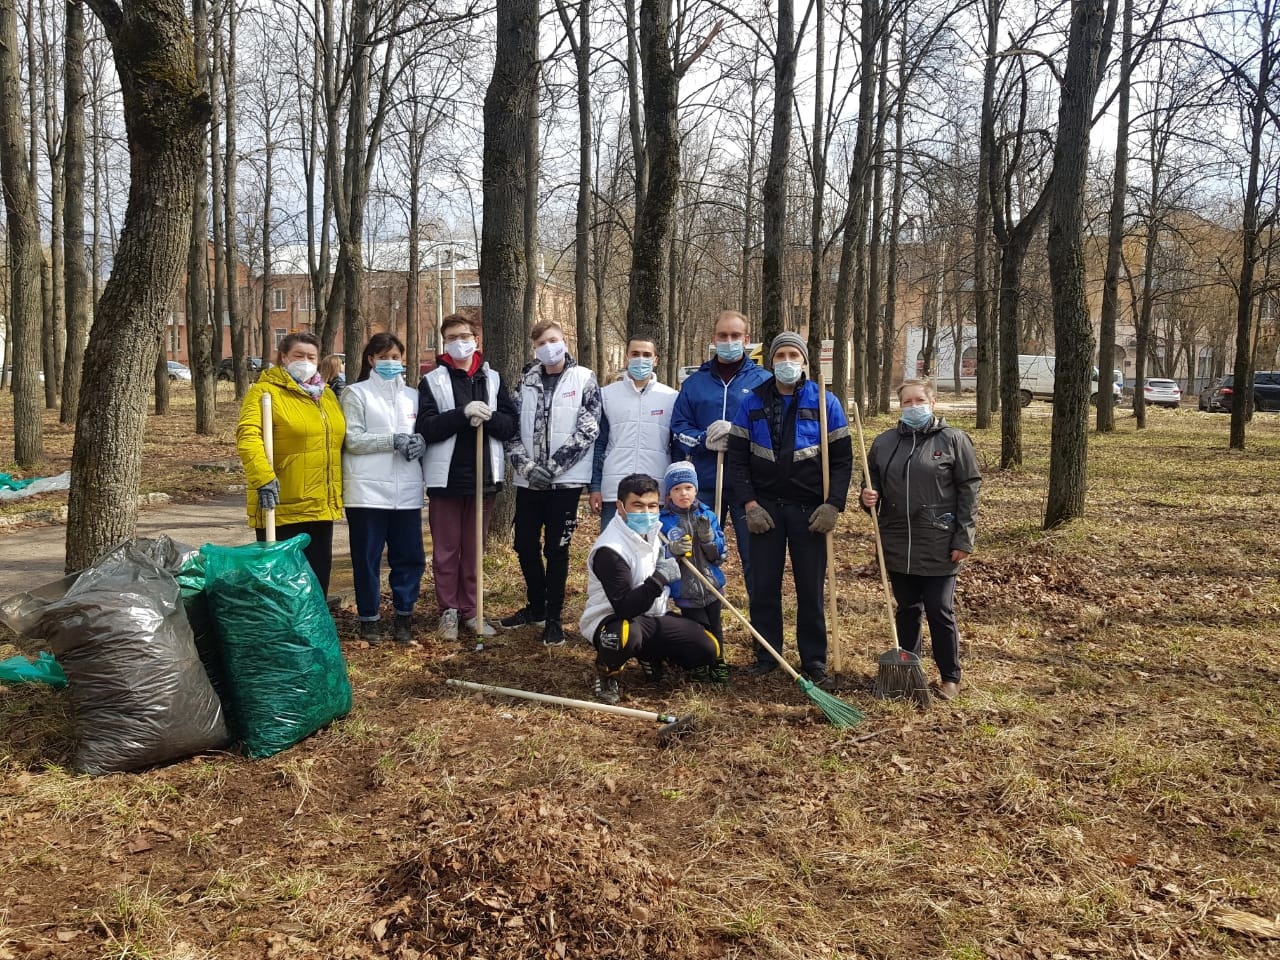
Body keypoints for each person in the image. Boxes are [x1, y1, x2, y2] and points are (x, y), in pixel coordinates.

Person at [726, 332, 852, 688]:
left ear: (804, 362)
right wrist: (749, 504)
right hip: (764, 509)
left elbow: (842, 461)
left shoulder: (825, 401)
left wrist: (833, 505)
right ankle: (768, 655)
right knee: (763, 586)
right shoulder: (751, 403)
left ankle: (813, 660)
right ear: (771, 361)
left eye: (793, 355)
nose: (786, 361)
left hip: (810, 511)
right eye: (780, 355)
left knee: (810, 588)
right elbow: (737, 460)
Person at [859, 379, 981, 701]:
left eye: (919, 401)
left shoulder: (953, 440)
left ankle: (950, 678)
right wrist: (867, 497)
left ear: (933, 402)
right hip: (897, 541)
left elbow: (969, 490)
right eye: (906, 402)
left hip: (939, 540)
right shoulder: (884, 443)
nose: (913, 407)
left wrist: (963, 538)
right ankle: (908, 673)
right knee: (907, 609)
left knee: (940, 610)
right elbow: (870, 488)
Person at [416, 314, 519, 642]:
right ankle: (448, 610)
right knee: (446, 550)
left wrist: (487, 419)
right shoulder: (433, 381)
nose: (460, 341)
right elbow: (427, 428)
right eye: (452, 337)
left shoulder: (493, 379)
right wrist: (462, 415)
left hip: (483, 476)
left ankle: (472, 610)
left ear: (476, 339)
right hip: (446, 478)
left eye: (465, 335)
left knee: (474, 548)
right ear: (444, 343)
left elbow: (509, 425)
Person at [502, 321, 603, 646]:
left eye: (554, 340)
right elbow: (511, 432)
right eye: (542, 343)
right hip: (529, 482)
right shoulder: (525, 383)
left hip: (565, 483)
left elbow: (588, 429)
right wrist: (529, 468)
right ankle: (537, 606)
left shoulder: (584, 378)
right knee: (524, 544)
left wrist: (554, 466)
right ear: (535, 348)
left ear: (565, 340)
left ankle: (555, 618)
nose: (549, 347)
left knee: (557, 549)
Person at [580, 473, 722, 704]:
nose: (646, 512)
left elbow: (653, 564)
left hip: (652, 614)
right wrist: (659, 579)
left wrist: (669, 554)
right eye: (637, 505)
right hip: (612, 619)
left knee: (707, 647)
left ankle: (650, 655)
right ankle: (607, 673)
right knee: (625, 635)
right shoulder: (611, 549)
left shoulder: (653, 530)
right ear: (620, 506)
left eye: (652, 505)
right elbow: (625, 607)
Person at [237, 331, 345, 596]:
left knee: (317, 583)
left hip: (321, 505)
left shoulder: (326, 396)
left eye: (311, 356)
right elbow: (248, 436)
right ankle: (283, 636)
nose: (305, 361)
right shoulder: (265, 392)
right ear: (283, 357)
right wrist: (263, 478)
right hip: (282, 503)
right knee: (283, 589)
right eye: (298, 355)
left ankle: (314, 635)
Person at [670, 310, 772, 587]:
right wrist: (704, 438)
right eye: (723, 336)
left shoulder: (764, 382)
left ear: (746, 339)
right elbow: (678, 428)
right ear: (714, 339)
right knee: (698, 551)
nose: (729, 341)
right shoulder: (694, 383)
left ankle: (759, 623)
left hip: (748, 485)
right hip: (703, 481)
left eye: (735, 336)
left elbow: (774, 431)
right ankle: (700, 617)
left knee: (755, 555)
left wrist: (740, 437)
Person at [339, 333, 426, 644]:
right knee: (367, 558)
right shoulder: (355, 394)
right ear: (371, 359)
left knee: (410, 558)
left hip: (407, 492)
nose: (391, 363)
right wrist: (392, 440)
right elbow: (352, 440)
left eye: (396, 357)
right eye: (384, 357)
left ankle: (404, 617)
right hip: (366, 493)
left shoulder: (413, 397)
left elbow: (421, 434)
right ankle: (369, 620)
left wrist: (419, 443)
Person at [589, 334, 678, 530]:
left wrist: (673, 488)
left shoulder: (671, 397)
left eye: (646, 355)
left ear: (655, 360)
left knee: (654, 556)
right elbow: (599, 444)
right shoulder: (606, 395)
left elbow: (676, 447)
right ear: (626, 358)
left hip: (656, 494)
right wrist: (595, 487)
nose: (641, 359)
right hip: (614, 493)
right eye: (635, 354)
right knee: (613, 554)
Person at [658, 461, 730, 684]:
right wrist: (671, 550)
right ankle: (699, 663)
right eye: (677, 489)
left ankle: (718, 662)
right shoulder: (663, 521)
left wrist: (709, 538)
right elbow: (657, 557)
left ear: (696, 490)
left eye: (688, 488)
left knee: (715, 627)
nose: (683, 493)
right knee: (699, 630)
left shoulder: (707, 515)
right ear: (669, 494)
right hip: (685, 589)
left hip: (711, 585)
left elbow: (719, 555)